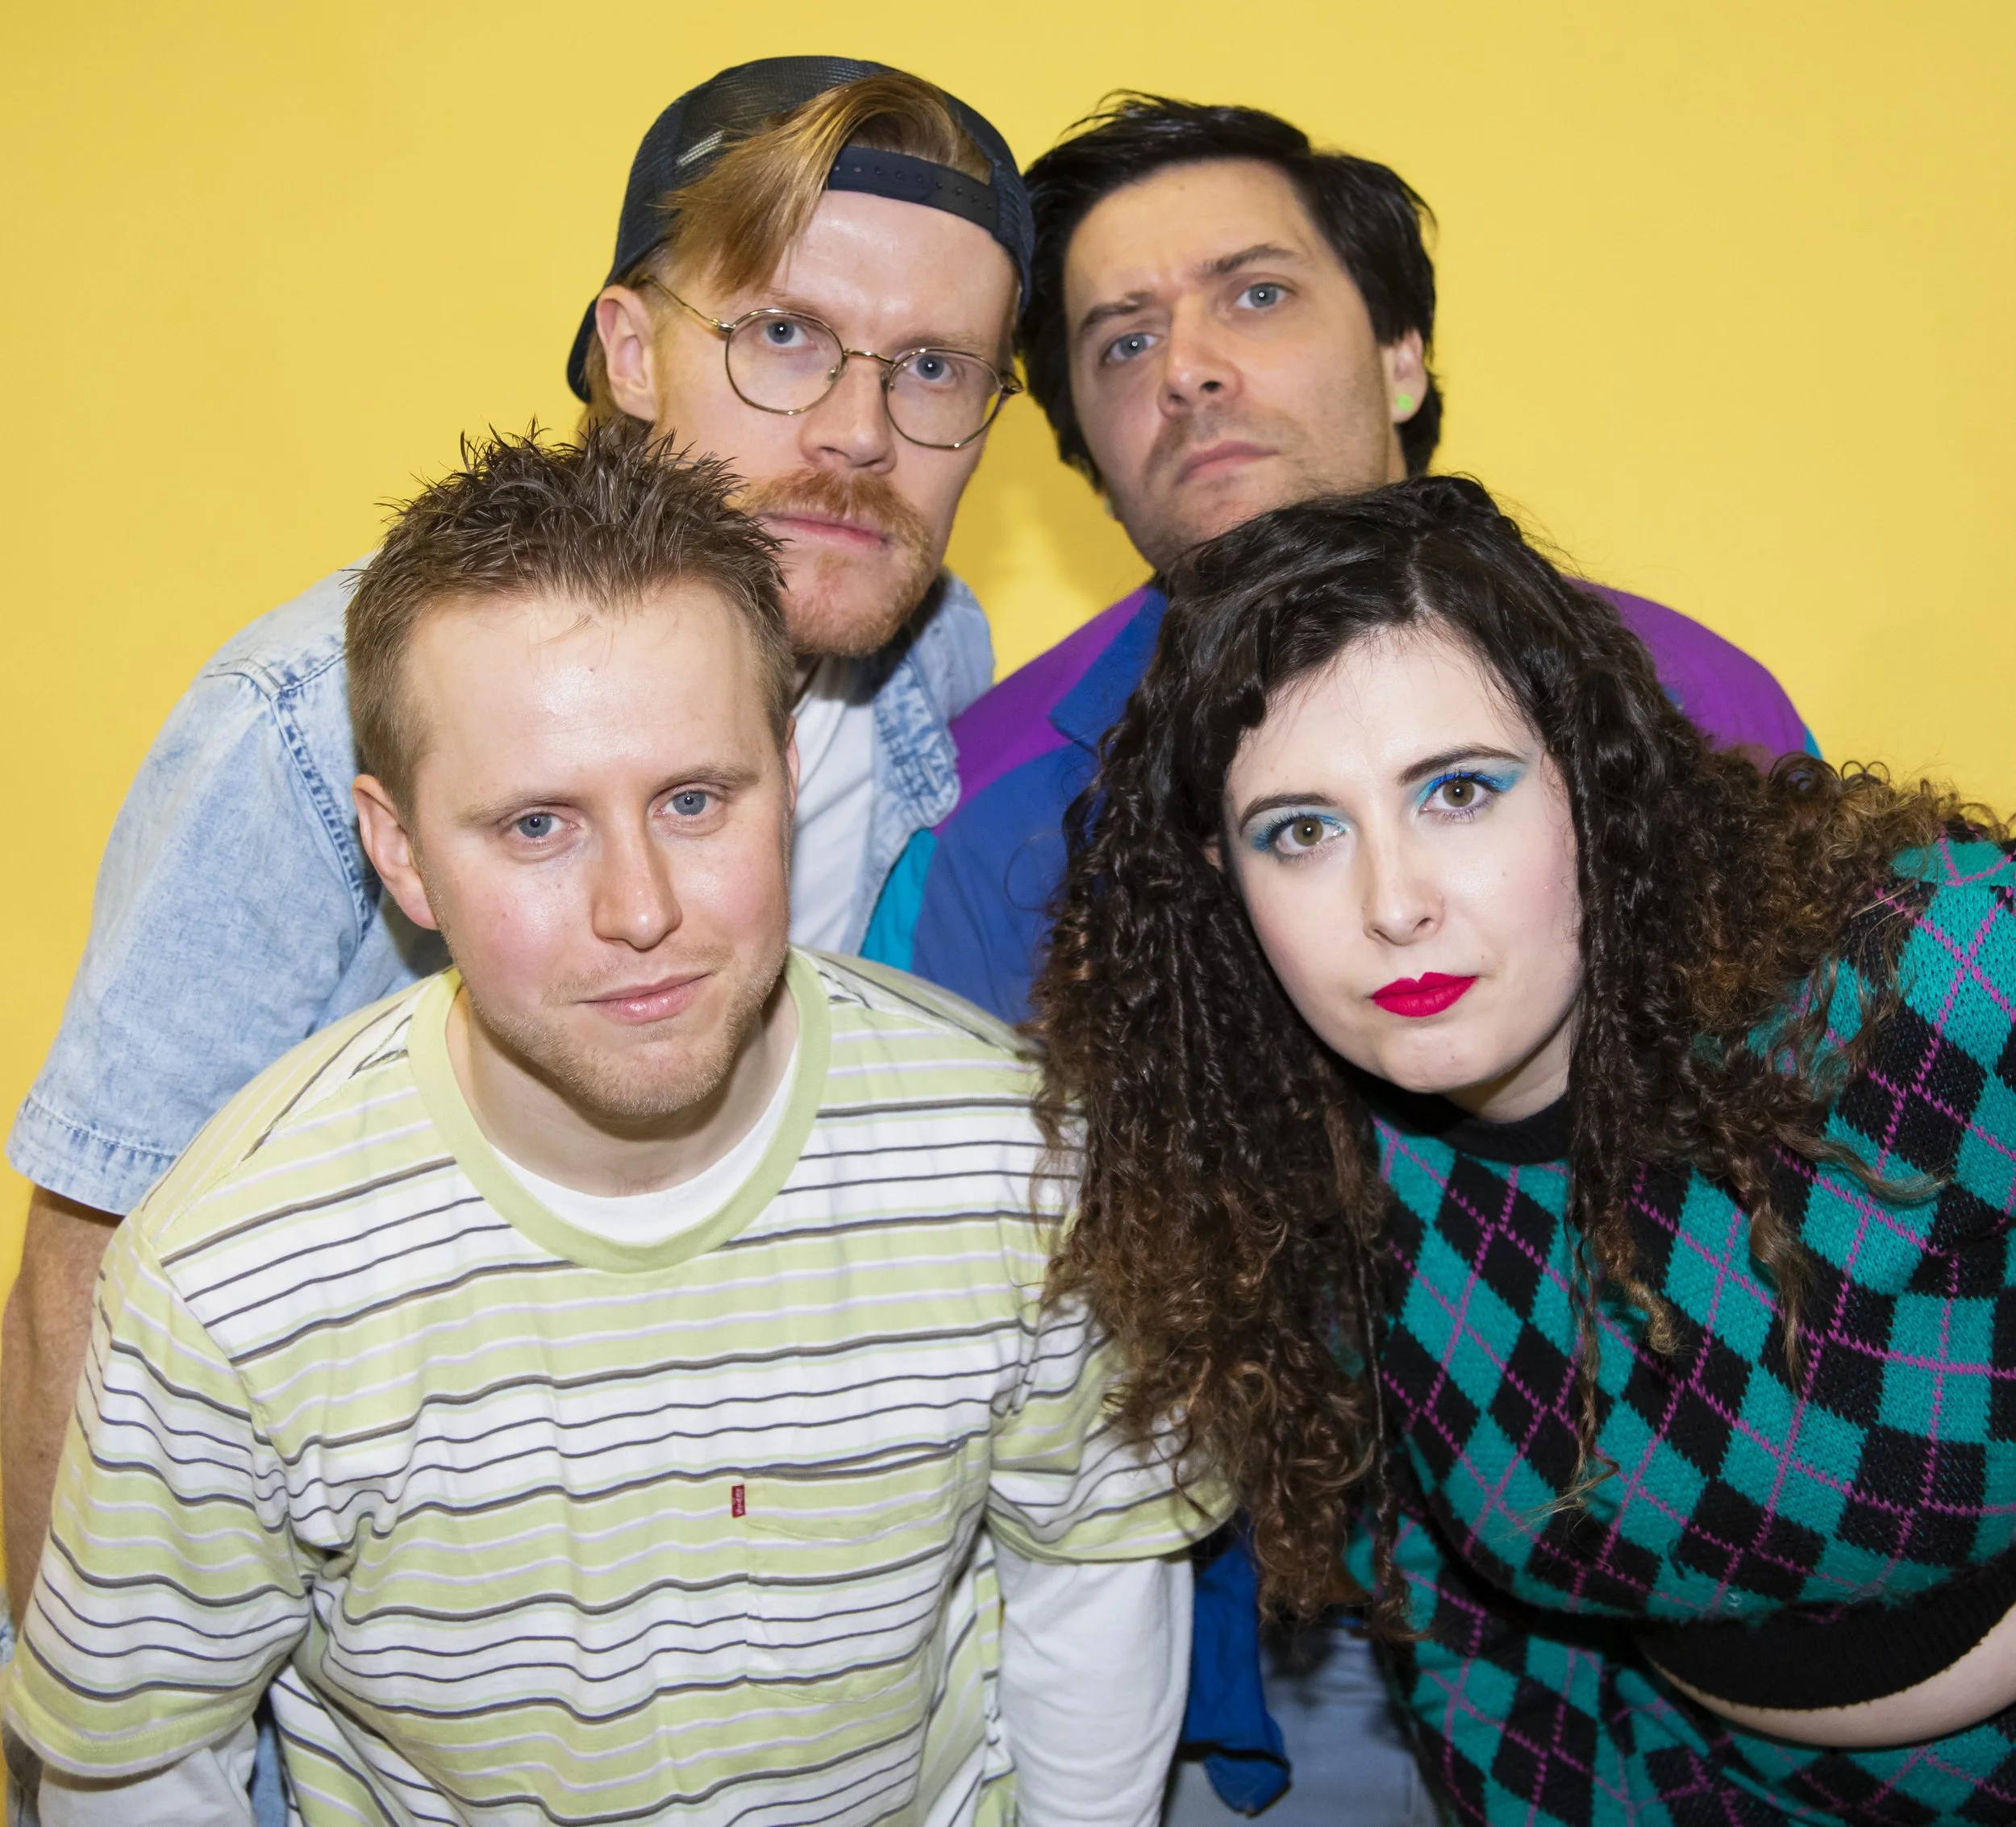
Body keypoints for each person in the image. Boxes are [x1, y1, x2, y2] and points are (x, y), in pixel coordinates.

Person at [6, 427, 1217, 1827]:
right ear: (397, 849)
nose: (640, 908)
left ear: (786, 772)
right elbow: (140, 1761)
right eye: (536, 827)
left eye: (695, 800)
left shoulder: (1020, 1156)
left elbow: (1091, 1580)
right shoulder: (225, 1275)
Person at [858, 94, 1817, 1822]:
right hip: (1272, 1673)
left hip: (1736, 1576)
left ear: (1397, 352)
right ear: (1075, 434)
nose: (1189, 368)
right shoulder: (993, 819)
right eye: (1118, 336)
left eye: (1252, 295)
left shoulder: (1690, 707)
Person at [3, 54, 1031, 1634]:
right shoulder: (303, 729)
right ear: (627, 349)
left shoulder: (926, 658)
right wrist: (86, 1744)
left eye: (935, 369)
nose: (859, 435)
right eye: (781, 337)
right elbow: (88, 1295)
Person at [1033, 473, 2016, 1826]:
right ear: (1223, 878)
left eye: (1457, 791)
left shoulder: (1937, 981)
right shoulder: (1317, 1189)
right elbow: (1481, 1663)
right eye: (1302, 832)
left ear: (1589, 778)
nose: (1393, 904)